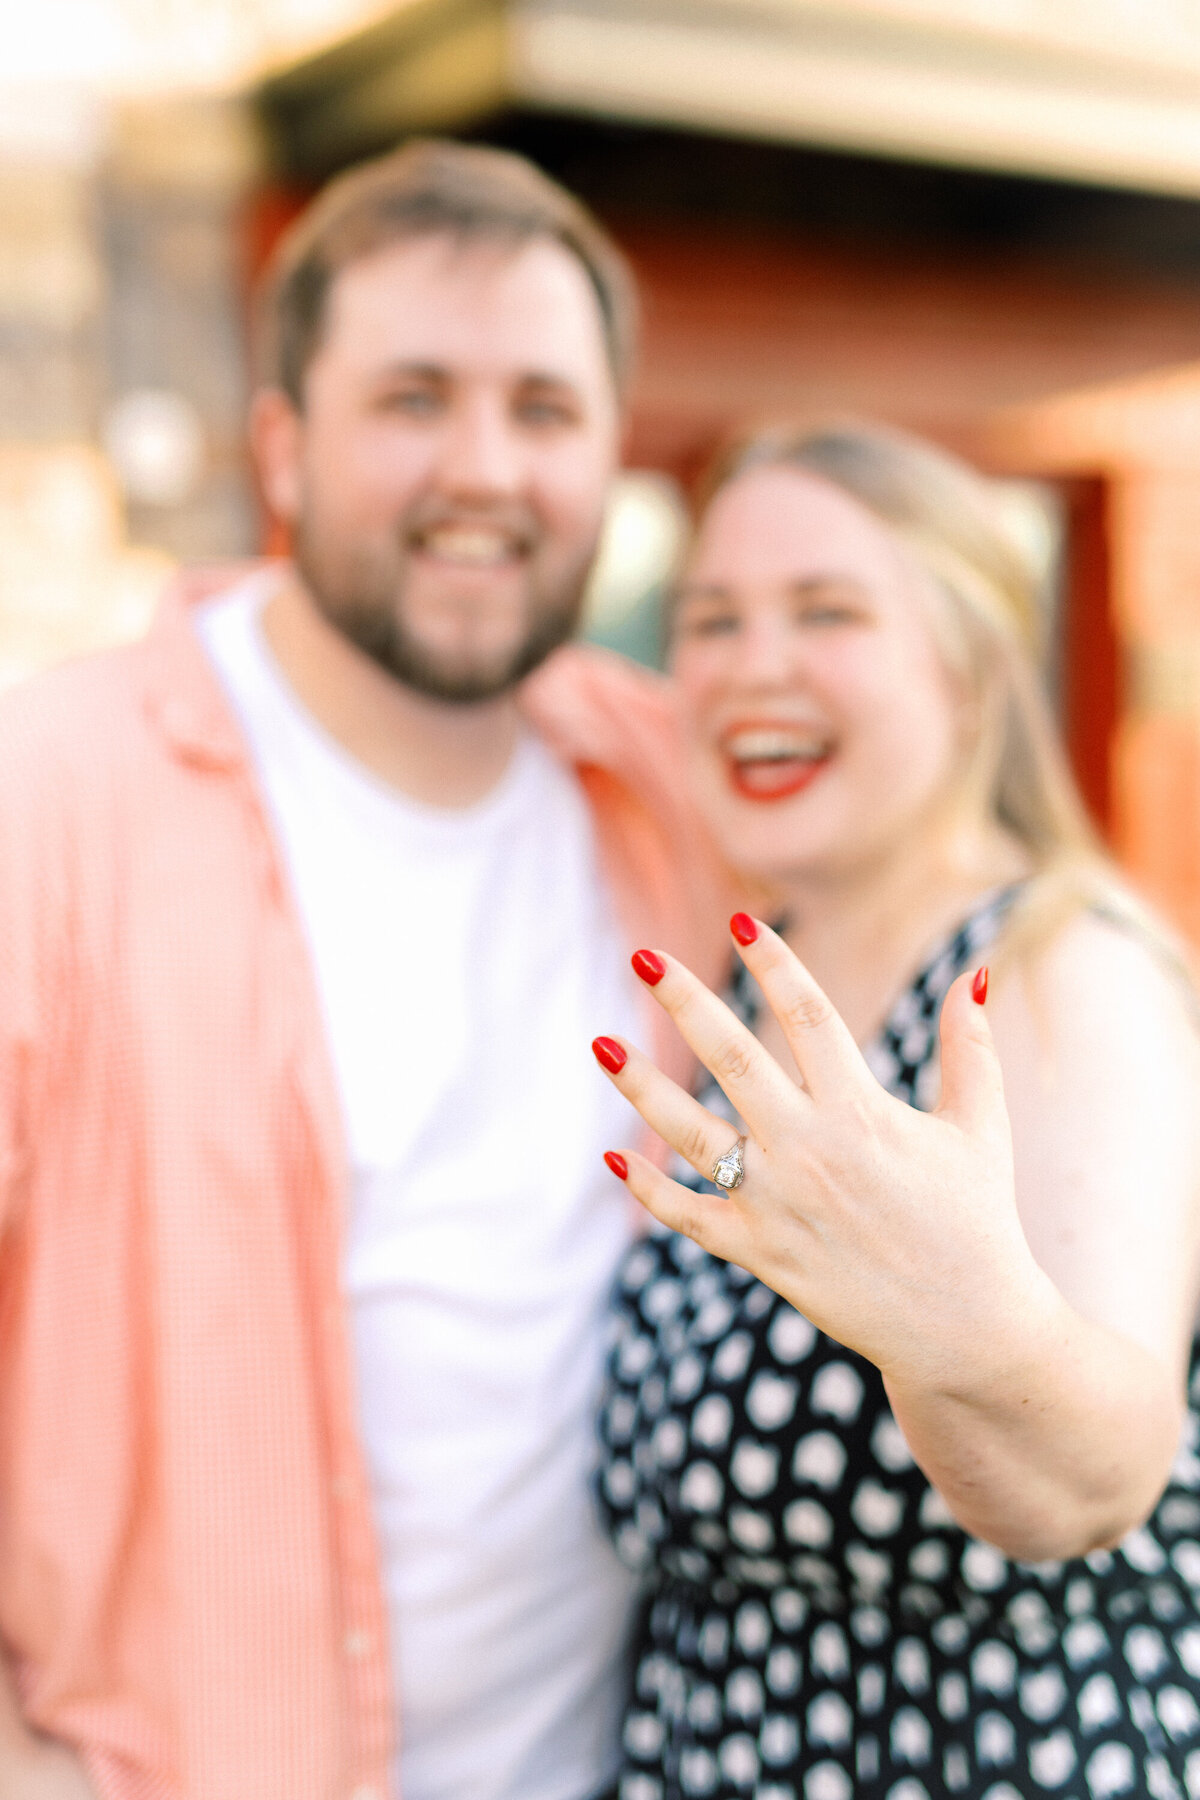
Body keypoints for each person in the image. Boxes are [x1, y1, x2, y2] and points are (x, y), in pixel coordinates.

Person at [0, 139, 730, 1800]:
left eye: (543, 410)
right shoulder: (44, 798)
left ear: (610, 451)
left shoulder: (672, 790)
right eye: (413, 398)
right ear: (281, 446)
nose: (485, 468)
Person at [590, 422, 1200, 1800]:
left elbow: (1095, 1478)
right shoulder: (737, 1001)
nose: (756, 664)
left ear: (972, 669)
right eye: (711, 617)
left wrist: (967, 1328)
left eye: (828, 611)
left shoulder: (1057, 967)